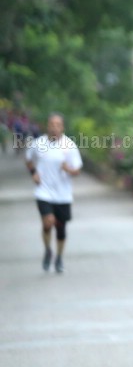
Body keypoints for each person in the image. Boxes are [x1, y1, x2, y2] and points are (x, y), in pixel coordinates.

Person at [25, 113, 83, 274]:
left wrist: (68, 169)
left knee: (61, 228)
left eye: (58, 125)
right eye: (52, 124)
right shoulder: (38, 143)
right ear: (47, 126)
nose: (54, 127)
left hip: (63, 194)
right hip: (43, 191)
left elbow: (77, 170)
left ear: (62, 127)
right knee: (48, 222)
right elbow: (29, 159)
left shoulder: (69, 146)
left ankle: (58, 257)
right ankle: (47, 250)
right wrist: (33, 173)